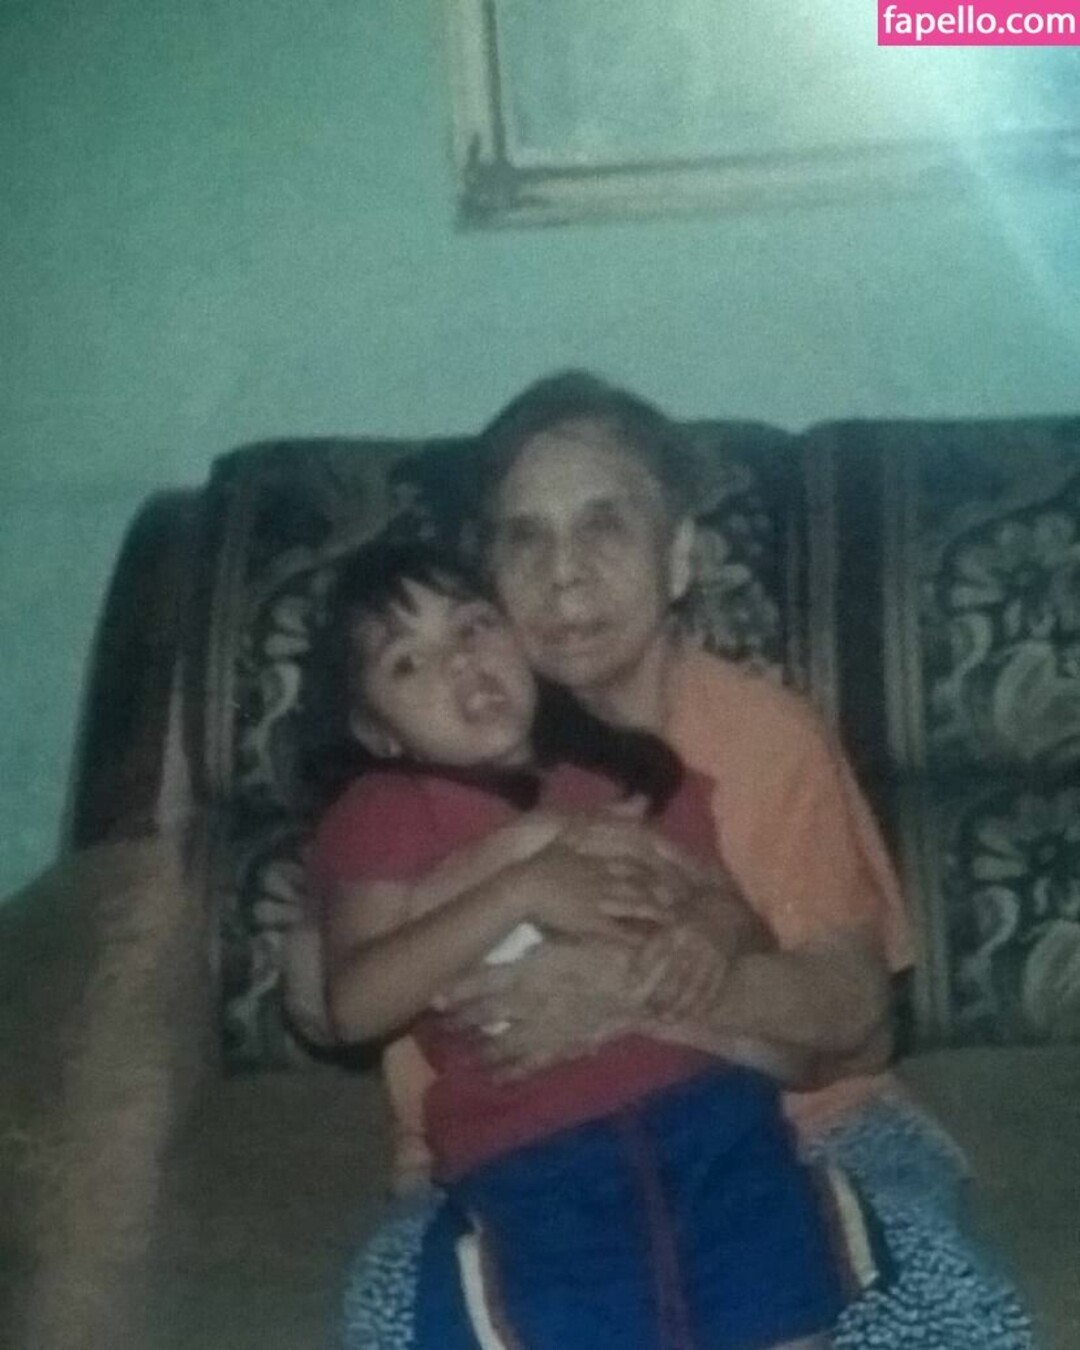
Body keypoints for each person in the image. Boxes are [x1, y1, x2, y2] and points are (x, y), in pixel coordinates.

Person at [308, 372, 1032, 1350]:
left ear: (678, 554)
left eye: (604, 525)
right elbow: (323, 994)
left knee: (928, 1307)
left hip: (808, 1125)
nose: (564, 573)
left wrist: (633, 995)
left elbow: (857, 1024)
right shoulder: (412, 769)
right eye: (525, 537)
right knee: (400, 1319)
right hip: (505, 1172)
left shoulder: (765, 737)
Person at [307, 538, 870, 1350]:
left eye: (472, 626)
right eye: (407, 662)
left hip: (715, 1117)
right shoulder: (386, 812)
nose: (459, 663)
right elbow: (353, 1005)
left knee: (789, 1314)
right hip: (534, 1155)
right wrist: (522, 887)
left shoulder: (625, 782)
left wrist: (710, 939)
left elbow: (738, 917)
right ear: (378, 731)